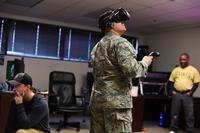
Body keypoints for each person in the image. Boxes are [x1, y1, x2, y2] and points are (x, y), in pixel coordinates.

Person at [90, 8, 153, 133]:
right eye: (120, 21)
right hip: (116, 105)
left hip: (98, 101)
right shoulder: (120, 43)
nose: (123, 22)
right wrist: (145, 63)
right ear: (110, 25)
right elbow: (132, 71)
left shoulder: (98, 45)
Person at [169, 53, 200, 133]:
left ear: (188, 59)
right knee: (174, 113)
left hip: (187, 95)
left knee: (189, 114)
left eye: (184, 59)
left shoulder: (193, 70)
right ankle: (173, 129)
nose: (182, 61)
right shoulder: (175, 70)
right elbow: (171, 81)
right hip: (177, 94)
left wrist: (191, 92)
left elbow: (196, 83)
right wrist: (172, 91)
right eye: (181, 59)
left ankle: (189, 130)